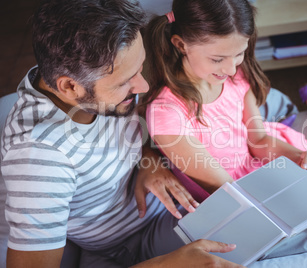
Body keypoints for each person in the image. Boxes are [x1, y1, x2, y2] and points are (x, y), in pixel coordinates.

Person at [0, 0, 245, 267]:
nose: (143, 85)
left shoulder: (84, 78)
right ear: (70, 86)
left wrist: (146, 158)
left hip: (168, 211)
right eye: (125, 80)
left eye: (140, 69)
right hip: (128, 248)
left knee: (265, 228)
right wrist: (167, 265)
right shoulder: (40, 159)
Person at [141, 0, 307, 248]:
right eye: (218, 59)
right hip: (238, 190)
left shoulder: (235, 76)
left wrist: (299, 156)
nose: (231, 69)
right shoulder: (167, 115)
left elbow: (259, 140)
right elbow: (230, 193)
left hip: (266, 159)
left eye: (239, 54)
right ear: (180, 44)